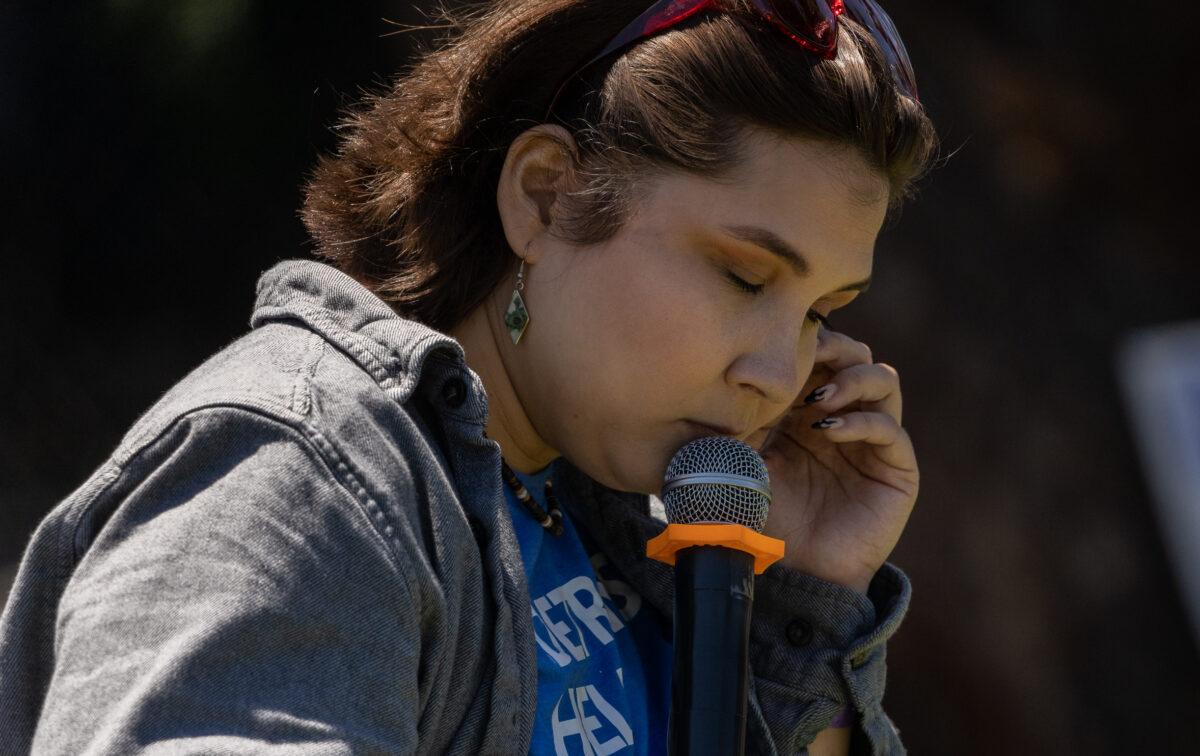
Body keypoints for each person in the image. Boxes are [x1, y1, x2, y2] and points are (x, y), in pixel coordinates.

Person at [0, 0, 937, 753]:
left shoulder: (636, 527)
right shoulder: (300, 477)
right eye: (743, 275)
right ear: (546, 197)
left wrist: (807, 604)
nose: (780, 371)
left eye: (820, 312)